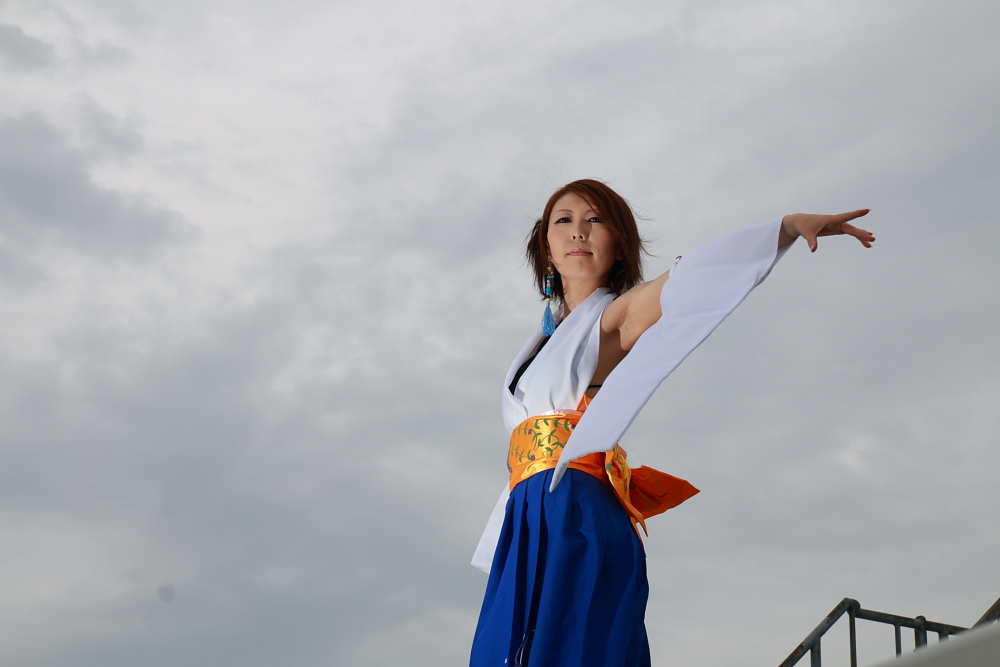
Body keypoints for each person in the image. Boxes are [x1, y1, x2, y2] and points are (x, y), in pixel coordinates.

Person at [469, 179, 875, 667]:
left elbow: (690, 278)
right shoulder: (539, 343)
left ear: (620, 245)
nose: (579, 231)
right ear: (546, 249)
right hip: (527, 511)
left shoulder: (614, 317)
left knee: (571, 647)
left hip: (575, 508)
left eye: (595, 220)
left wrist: (784, 229)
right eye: (564, 220)